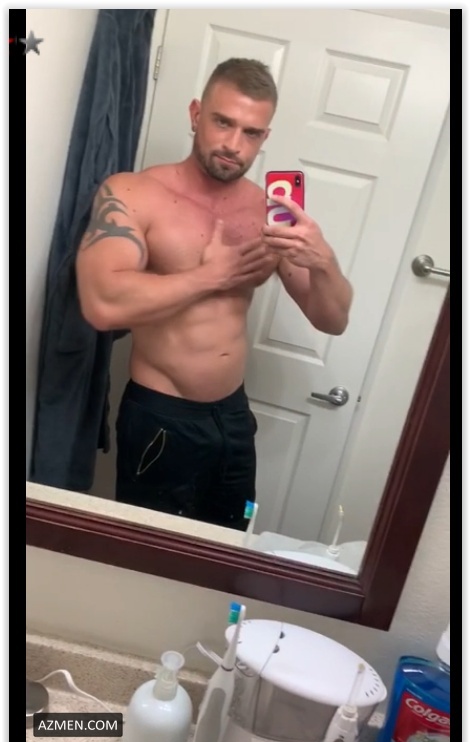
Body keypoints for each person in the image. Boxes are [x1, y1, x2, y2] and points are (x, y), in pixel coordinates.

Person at [75, 58, 353, 531]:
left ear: (264, 137)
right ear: (195, 114)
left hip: (233, 419)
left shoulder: (270, 211)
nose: (233, 144)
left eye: (251, 132)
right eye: (223, 122)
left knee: (229, 548)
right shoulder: (134, 193)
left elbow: (333, 320)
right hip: (161, 419)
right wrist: (209, 277)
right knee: (151, 556)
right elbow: (101, 305)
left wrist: (322, 258)